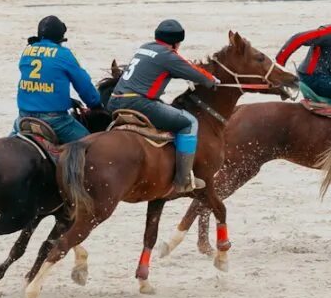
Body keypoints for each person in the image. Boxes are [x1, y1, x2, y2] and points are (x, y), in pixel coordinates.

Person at [110, 19, 221, 193]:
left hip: (115, 101)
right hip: (138, 103)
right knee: (189, 122)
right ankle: (183, 179)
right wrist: (212, 80)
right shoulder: (168, 55)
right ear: (177, 42)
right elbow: (193, 71)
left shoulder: (145, 47)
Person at [14, 15, 101, 143]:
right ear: (60, 38)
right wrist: (95, 103)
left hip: (23, 119)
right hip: (56, 122)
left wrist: (68, 100)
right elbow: (84, 85)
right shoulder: (63, 54)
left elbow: (39, 83)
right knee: (92, 147)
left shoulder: (27, 52)